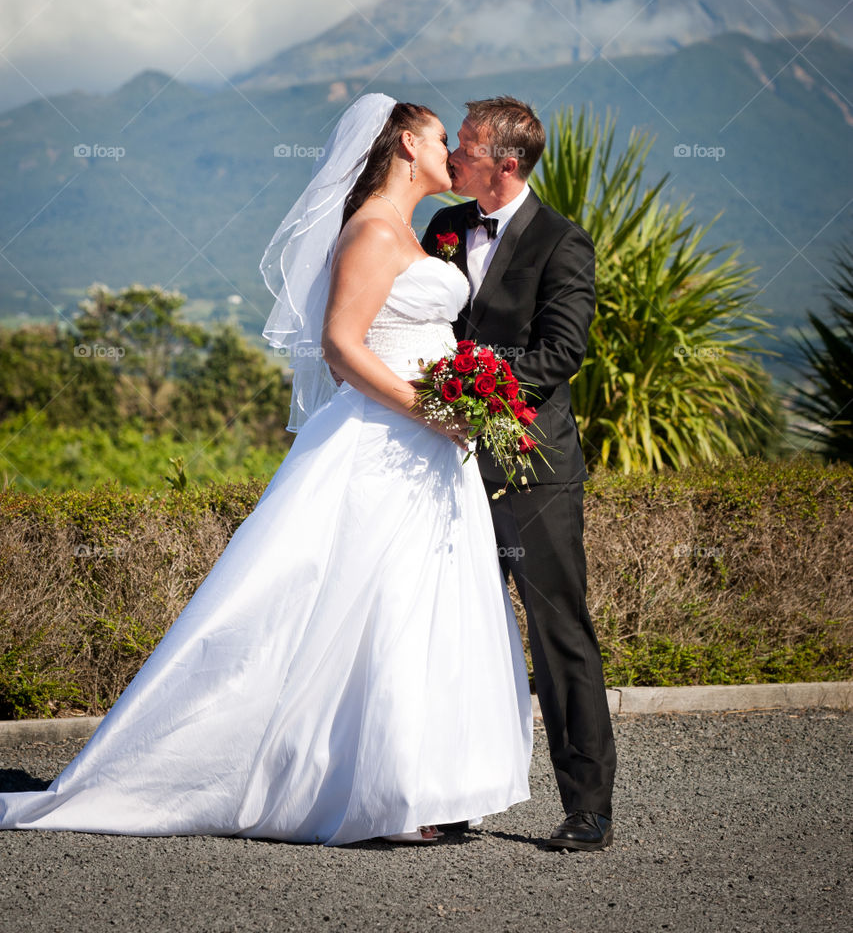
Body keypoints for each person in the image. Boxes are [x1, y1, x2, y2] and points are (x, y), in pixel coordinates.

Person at [0, 95, 532, 847]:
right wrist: (431, 409)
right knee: (369, 606)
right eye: (444, 138)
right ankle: (355, 790)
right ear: (408, 144)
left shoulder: (412, 233)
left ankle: (409, 786)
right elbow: (343, 348)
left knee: (413, 611)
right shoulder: (374, 233)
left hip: (428, 451)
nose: (454, 151)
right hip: (387, 441)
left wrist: (461, 407)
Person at [423, 96, 617, 852]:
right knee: (450, 628)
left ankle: (587, 808)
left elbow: (559, 352)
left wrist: (467, 395)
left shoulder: (562, 242)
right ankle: (452, 794)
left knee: (557, 630)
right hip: (438, 462)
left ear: (504, 163)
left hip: (531, 467)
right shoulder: (441, 229)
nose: (453, 156)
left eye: (465, 145)